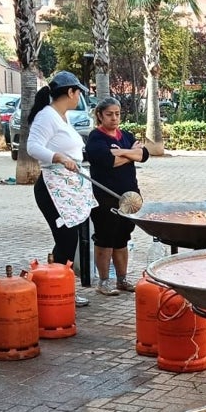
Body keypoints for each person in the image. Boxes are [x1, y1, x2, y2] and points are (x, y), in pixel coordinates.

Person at [27, 71, 95, 306]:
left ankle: (57, 287)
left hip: (68, 187)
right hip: (52, 188)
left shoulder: (61, 117)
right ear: (70, 92)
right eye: (78, 92)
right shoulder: (47, 116)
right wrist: (57, 157)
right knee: (66, 239)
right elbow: (33, 147)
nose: (79, 97)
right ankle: (56, 289)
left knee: (68, 240)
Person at [85, 97, 148, 296]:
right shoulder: (96, 138)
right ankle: (103, 281)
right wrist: (132, 153)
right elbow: (107, 162)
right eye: (109, 114)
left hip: (129, 197)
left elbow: (144, 155)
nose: (114, 118)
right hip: (105, 197)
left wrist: (121, 152)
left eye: (117, 114)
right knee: (105, 239)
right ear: (100, 116)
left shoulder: (126, 135)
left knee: (123, 238)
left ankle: (122, 279)